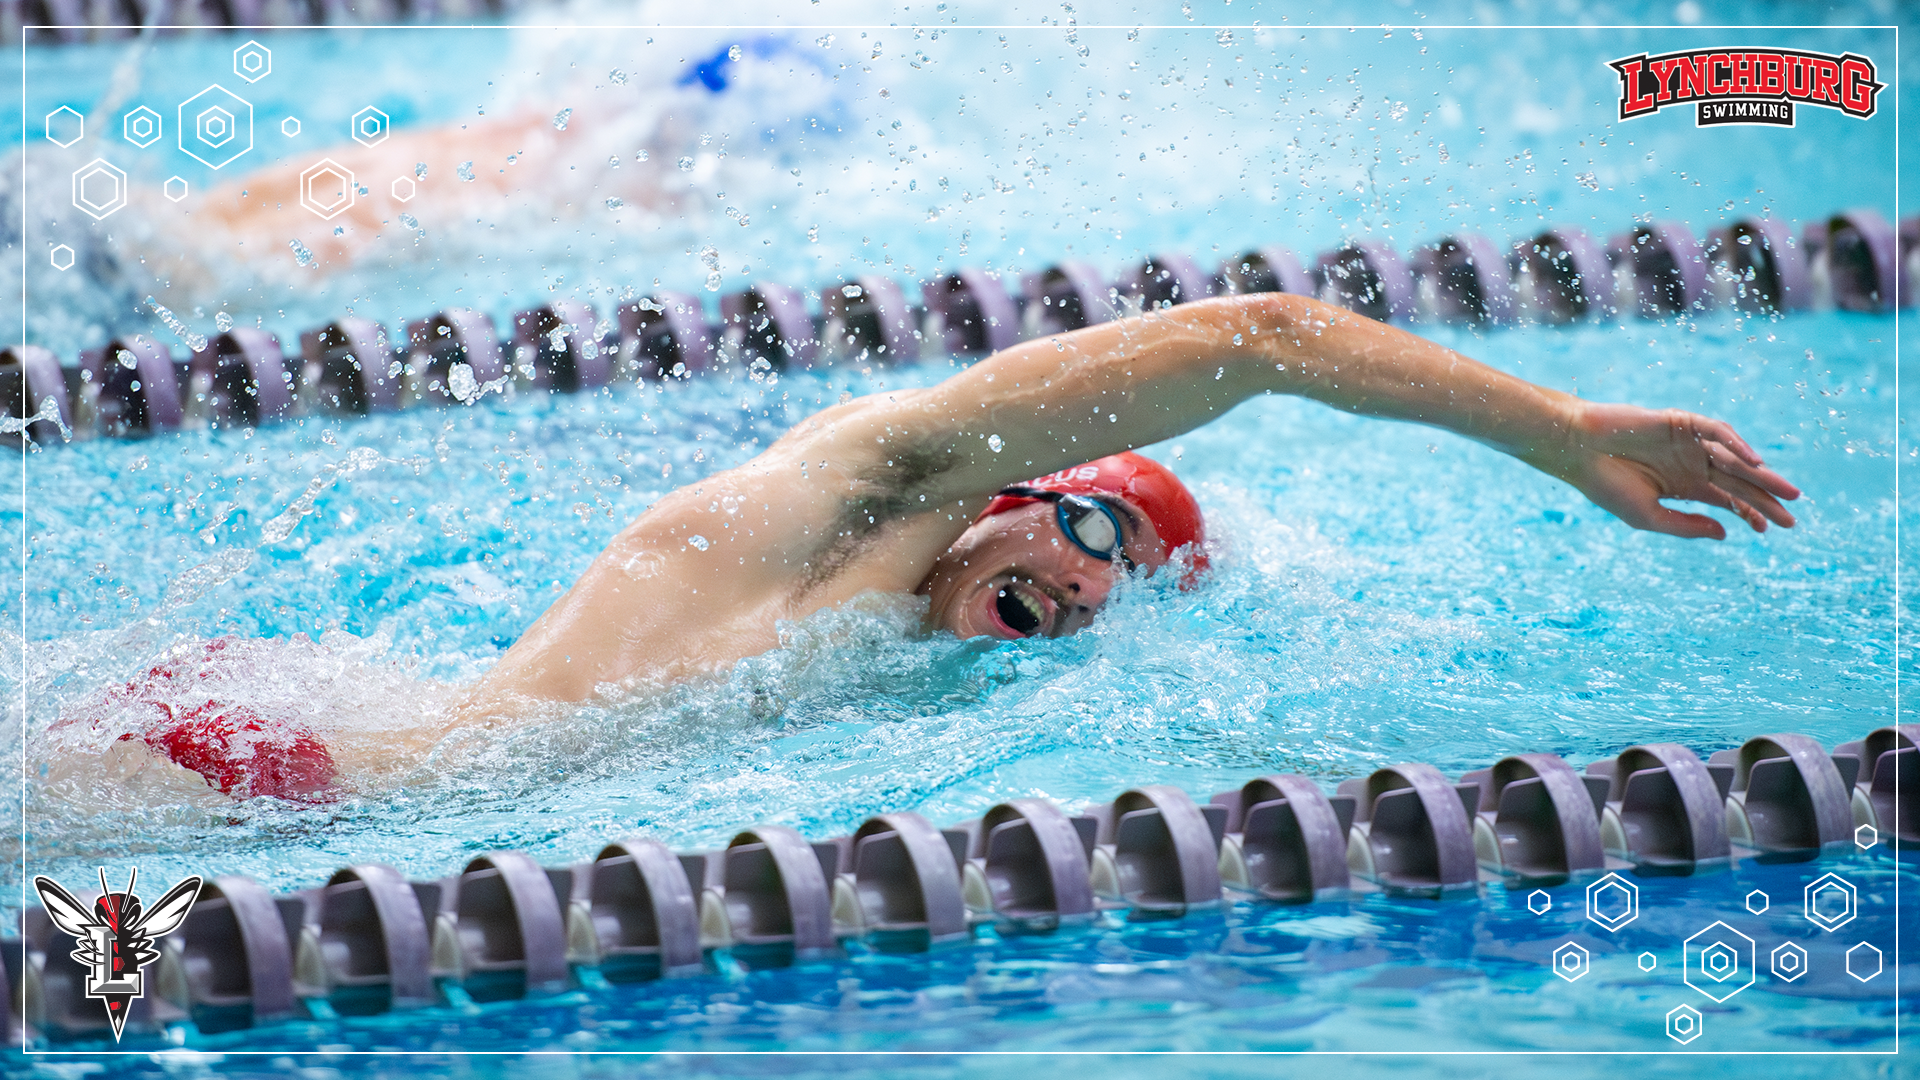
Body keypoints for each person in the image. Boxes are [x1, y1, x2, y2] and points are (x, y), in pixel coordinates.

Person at [78, 290, 1801, 801]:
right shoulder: (858, 484)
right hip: (244, 775)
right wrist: (1560, 434)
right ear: (1011, 483)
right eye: (1095, 514)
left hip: (314, 771)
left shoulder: (901, 661)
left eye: (1130, 567)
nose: (1092, 568)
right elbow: (1266, 337)